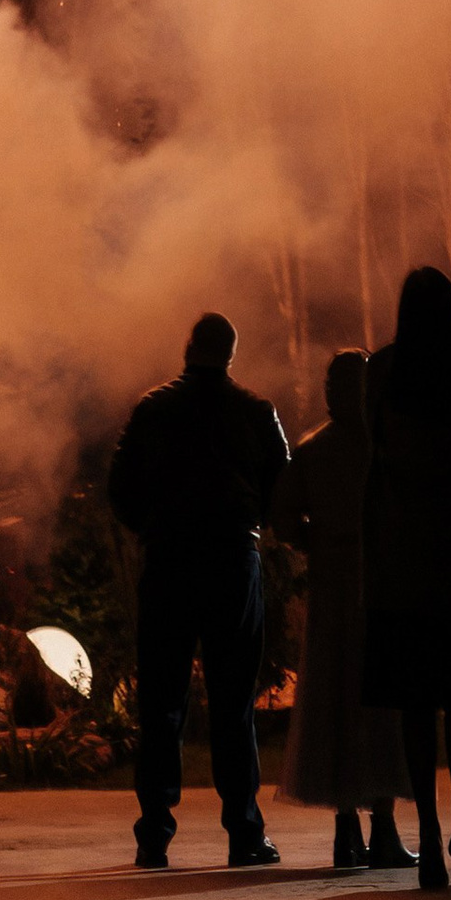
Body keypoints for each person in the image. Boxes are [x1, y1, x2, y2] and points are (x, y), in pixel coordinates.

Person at [109, 311, 292, 870]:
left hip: (169, 559)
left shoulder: (153, 408)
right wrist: (249, 525)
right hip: (232, 558)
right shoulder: (257, 411)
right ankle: (244, 831)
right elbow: (282, 486)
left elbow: (121, 486)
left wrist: (153, 528)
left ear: (188, 349)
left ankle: (154, 835)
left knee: (161, 699)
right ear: (230, 355)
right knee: (233, 700)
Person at [362, 268, 451, 894]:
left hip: (402, 554)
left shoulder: (384, 370)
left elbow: (374, 442)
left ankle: (431, 838)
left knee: (415, 705)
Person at [276, 349, 414, 873]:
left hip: (332, 590)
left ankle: (345, 828)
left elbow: (283, 516)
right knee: (380, 706)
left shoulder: (312, 449)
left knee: (334, 698)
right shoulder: (387, 446)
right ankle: (383, 829)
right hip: (378, 586)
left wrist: (316, 542)